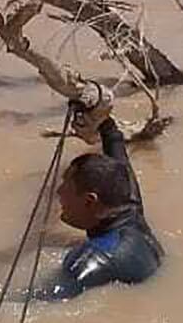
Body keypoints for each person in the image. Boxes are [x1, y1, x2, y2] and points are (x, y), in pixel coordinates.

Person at [36, 84, 164, 300]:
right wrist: (103, 121)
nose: (58, 193)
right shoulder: (130, 213)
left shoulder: (89, 260)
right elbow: (119, 159)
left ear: (89, 201)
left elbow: (42, 302)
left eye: (65, 188)